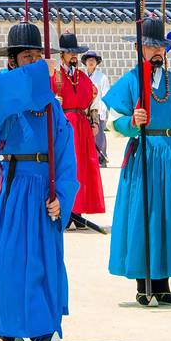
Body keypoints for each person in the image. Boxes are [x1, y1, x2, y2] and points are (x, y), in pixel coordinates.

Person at [0, 22, 78, 341]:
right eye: (26, 57)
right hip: (12, 187)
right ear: (12, 62)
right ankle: (14, 324)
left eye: (38, 56)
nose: (33, 61)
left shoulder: (53, 108)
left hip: (43, 190)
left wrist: (62, 197)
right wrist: (34, 75)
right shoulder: (4, 98)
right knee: (8, 260)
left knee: (41, 262)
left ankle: (41, 329)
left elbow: (66, 156)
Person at [104, 16, 171, 306]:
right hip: (145, 153)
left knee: (169, 217)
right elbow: (110, 121)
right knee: (145, 216)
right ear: (139, 48)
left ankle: (162, 284)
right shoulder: (131, 80)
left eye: (161, 46)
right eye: (150, 46)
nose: (157, 51)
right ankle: (142, 284)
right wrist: (132, 121)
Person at [53, 33, 107, 232]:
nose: (74, 56)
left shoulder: (82, 76)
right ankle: (66, 212)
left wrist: (94, 121)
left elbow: (93, 100)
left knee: (82, 170)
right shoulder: (55, 76)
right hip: (65, 126)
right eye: (70, 53)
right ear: (62, 55)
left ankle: (79, 211)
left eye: (76, 53)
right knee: (66, 168)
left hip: (82, 128)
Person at [81, 51, 110, 166]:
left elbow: (105, 94)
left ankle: (101, 158)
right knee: (86, 135)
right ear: (85, 62)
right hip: (85, 111)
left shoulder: (102, 77)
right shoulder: (82, 76)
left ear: (96, 62)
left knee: (99, 135)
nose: (91, 62)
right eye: (89, 60)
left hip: (97, 110)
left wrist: (102, 111)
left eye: (93, 60)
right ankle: (89, 159)